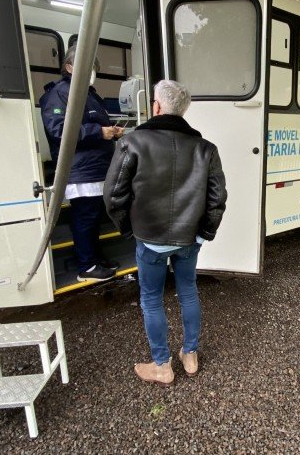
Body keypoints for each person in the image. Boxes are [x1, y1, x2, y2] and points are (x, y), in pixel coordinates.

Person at [103, 80, 227, 386]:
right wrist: (204, 234)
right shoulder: (205, 149)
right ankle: (190, 355)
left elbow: (113, 197)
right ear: (182, 110)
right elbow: (217, 200)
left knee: (152, 300)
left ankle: (162, 365)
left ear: (156, 106)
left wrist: (129, 230)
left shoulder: (132, 142)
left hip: (150, 239)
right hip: (188, 240)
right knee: (188, 292)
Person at [40, 45, 122, 282]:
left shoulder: (88, 93)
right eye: (87, 67)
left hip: (95, 167)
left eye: (93, 68)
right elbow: (58, 130)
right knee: (85, 218)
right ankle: (86, 266)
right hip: (81, 170)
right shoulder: (60, 93)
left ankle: (93, 259)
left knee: (93, 217)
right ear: (69, 67)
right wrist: (100, 132)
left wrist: (110, 132)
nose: (92, 72)